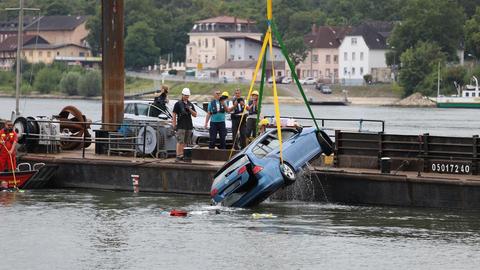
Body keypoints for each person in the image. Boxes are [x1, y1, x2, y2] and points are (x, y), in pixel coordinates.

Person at [172, 88, 197, 162]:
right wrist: (174, 124)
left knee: (186, 141)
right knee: (180, 141)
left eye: (188, 95)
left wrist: (189, 109)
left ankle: (183, 154)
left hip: (188, 125)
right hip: (181, 125)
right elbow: (174, 113)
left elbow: (195, 114)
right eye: (185, 95)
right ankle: (178, 155)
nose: (186, 97)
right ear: (182, 95)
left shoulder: (190, 104)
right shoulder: (178, 104)